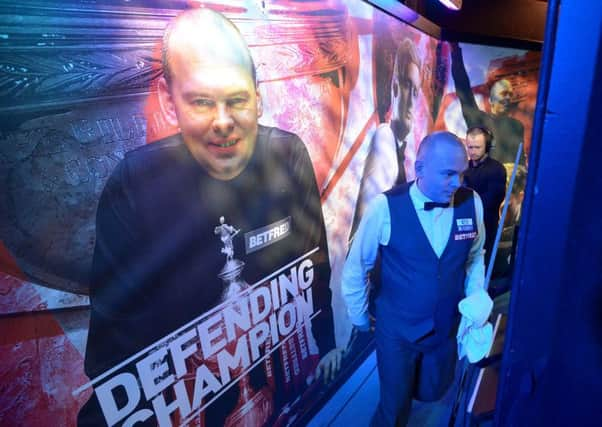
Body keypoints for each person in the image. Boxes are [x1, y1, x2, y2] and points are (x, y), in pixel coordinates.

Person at [78, 8, 342, 426]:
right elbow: (116, 353)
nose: (223, 123)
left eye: (236, 99)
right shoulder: (136, 183)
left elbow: (314, 271)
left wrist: (325, 346)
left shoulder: (288, 156)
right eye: (201, 102)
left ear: (257, 94)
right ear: (169, 99)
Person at [342, 131, 486, 426]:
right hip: (397, 332)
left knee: (433, 392)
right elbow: (357, 267)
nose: (457, 183)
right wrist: (358, 319)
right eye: (448, 174)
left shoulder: (473, 203)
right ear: (419, 169)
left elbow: (475, 255)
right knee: (394, 407)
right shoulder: (385, 207)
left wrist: (475, 299)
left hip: (446, 328)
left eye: (461, 173)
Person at [352, 38, 422, 233]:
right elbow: (370, 223)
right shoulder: (385, 137)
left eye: (416, 91)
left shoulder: (401, 149)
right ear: (395, 88)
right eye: (408, 86)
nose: (411, 102)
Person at [451, 42, 524, 165]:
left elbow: (520, 160)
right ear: (491, 99)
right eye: (504, 93)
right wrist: (455, 52)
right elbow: (463, 87)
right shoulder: (479, 120)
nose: (507, 98)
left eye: (510, 95)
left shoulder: (517, 126)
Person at [463, 126, 507, 267]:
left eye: (477, 147)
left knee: (480, 267)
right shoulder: (464, 168)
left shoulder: (497, 169)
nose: (473, 151)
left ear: (487, 147)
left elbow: (492, 201)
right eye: (470, 147)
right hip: (464, 228)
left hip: (485, 228)